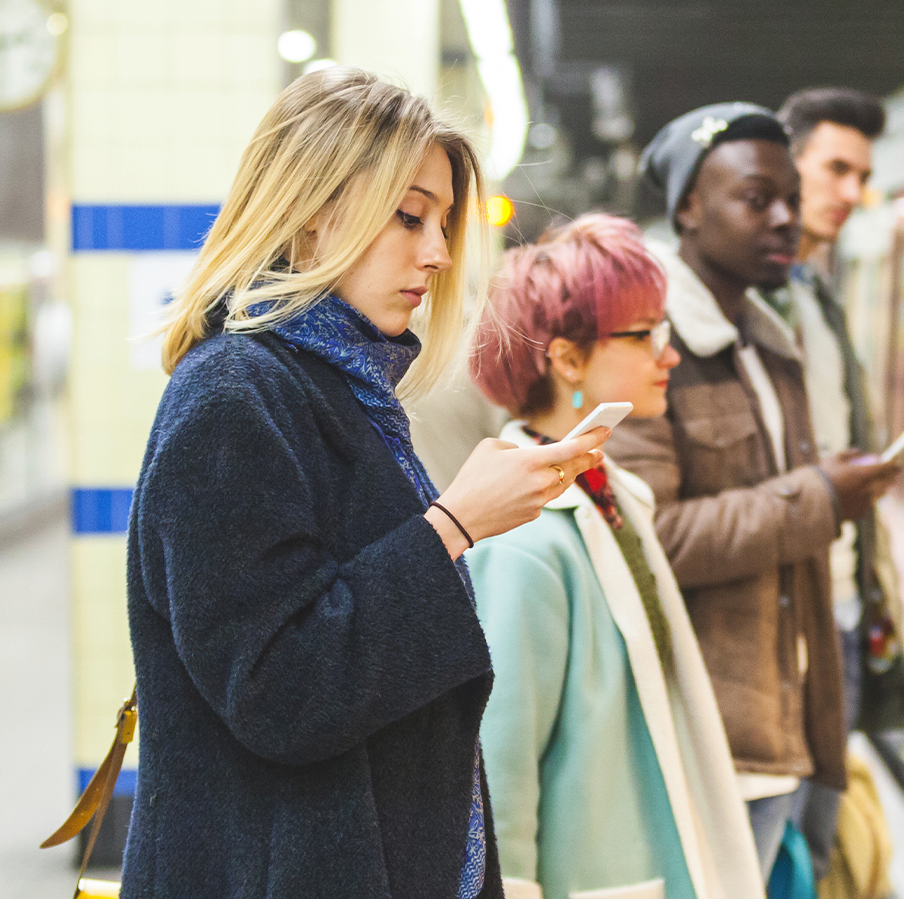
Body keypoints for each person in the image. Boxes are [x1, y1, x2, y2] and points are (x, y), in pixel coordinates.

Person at [124, 67, 607, 899]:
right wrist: (453, 524)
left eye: (444, 221)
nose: (440, 252)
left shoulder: (335, 386)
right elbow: (281, 687)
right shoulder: (231, 398)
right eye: (408, 215)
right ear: (311, 217)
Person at [604, 102, 900, 876]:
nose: (784, 219)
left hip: (787, 727)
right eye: (755, 198)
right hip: (711, 746)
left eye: (790, 200)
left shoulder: (770, 344)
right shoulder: (647, 343)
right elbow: (648, 538)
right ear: (689, 209)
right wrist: (822, 499)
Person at [465, 214, 766, 899]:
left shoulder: (606, 492)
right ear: (567, 359)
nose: (670, 354)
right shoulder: (523, 541)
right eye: (645, 333)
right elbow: (498, 775)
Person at [771, 87, 904, 881]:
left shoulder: (818, 295)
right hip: (790, 612)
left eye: (862, 175)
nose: (852, 193)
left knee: (813, 838)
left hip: (843, 600)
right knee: (786, 845)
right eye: (836, 168)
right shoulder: (745, 300)